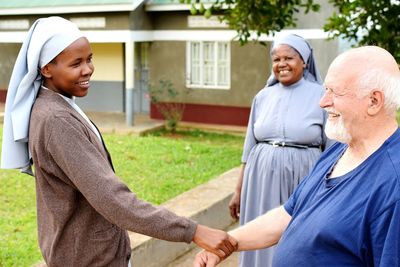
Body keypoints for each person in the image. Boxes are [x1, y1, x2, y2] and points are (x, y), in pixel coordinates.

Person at [0, 16, 237, 267]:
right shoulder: (57, 119)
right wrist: (193, 231)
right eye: (76, 63)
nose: (88, 69)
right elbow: (112, 198)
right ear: (46, 68)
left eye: (89, 59)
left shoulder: (57, 105)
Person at [193, 45, 400, 267]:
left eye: (334, 92)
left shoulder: (393, 185)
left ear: (374, 101)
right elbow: (288, 214)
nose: (323, 102)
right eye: (325, 90)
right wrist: (228, 244)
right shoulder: (339, 150)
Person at [228, 34, 331, 266]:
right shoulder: (262, 97)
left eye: (289, 58)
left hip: (303, 178)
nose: (281, 64)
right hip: (260, 180)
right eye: (276, 59)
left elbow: (333, 149)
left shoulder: (322, 96)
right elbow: (249, 146)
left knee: (296, 233)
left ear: (304, 61)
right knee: (258, 230)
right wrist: (238, 190)